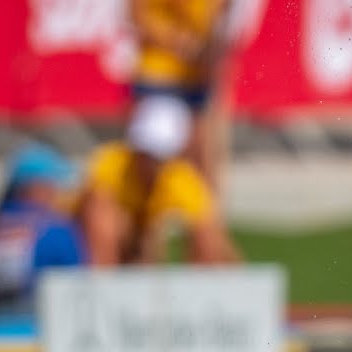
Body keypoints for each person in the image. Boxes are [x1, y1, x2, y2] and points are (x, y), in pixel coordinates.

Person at [76, 93, 242, 266]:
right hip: (79, 243)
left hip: (137, 243)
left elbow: (210, 235)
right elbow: (94, 215)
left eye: (159, 155)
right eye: (147, 153)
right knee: (106, 221)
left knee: (206, 239)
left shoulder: (179, 178)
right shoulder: (111, 164)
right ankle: (102, 286)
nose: (151, 163)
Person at [125, 0, 235, 192]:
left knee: (201, 167)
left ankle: (204, 221)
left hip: (196, 78)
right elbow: (137, 19)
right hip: (157, 78)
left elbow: (218, 15)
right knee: (151, 170)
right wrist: (179, 42)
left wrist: (210, 46)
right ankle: (149, 221)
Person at [0, 142, 88, 317]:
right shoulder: (58, 230)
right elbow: (76, 287)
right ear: (37, 188)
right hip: (39, 331)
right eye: (53, 185)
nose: (57, 192)